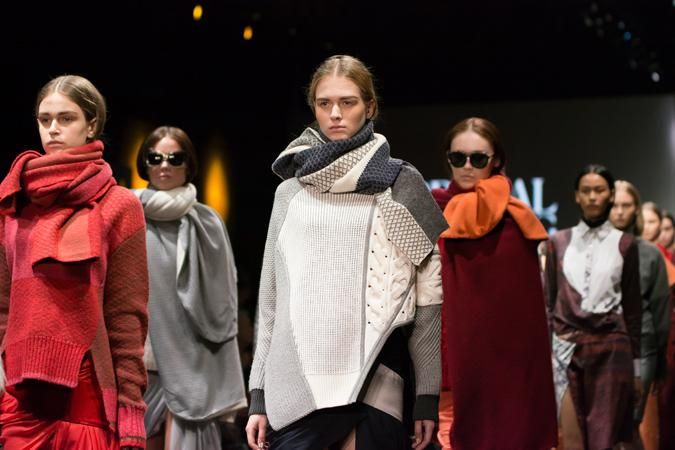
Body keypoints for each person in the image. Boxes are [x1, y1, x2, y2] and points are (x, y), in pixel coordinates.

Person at [245, 54, 447, 450]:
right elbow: (271, 302)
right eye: (324, 103)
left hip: (377, 375)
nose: (335, 114)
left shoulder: (402, 185)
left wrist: (427, 396)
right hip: (296, 382)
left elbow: (428, 303)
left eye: (348, 102)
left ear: (370, 107)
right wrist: (259, 394)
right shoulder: (289, 193)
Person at [0, 75, 149, 449]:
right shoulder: (14, 199)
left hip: (86, 390)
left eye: (66, 118)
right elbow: (3, 302)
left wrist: (131, 411)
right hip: (20, 391)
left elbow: (126, 317)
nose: (53, 129)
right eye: (44, 119)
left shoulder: (119, 205)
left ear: (92, 124)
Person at [431, 117, 557, 450]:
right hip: (440, 359)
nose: (467, 167)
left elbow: (525, 320)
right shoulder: (430, 209)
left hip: (502, 367)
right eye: (458, 157)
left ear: (496, 160)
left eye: (478, 158)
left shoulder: (515, 221)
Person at [133, 126, 247, 450]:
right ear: (145, 164)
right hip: (138, 358)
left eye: (175, 158)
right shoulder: (127, 215)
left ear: (188, 164)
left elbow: (222, 302)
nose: (164, 165)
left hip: (193, 356)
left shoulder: (207, 222)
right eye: (155, 158)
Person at [544, 164, 642, 450]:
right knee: (572, 439)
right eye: (586, 190)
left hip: (611, 349)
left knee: (605, 440)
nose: (592, 196)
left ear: (610, 194)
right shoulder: (558, 242)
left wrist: (637, 369)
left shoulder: (625, 244)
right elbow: (548, 303)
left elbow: (633, 309)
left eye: (599, 190)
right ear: (577, 195)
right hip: (565, 350)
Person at [610, 180, 671, 450]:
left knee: (630, 422)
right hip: (603, 348)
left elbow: (660, 309)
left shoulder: (650, 254)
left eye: (626, 205)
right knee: (606, 424)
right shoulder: (591, 251)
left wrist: (660, 363)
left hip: (642, 347)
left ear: (636, 208)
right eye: (615, 205)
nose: (620, 211)